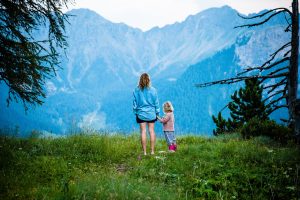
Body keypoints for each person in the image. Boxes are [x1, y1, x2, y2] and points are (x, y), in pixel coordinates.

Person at [133, 73, 160, 155]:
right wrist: (157, 113)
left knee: (143, 132)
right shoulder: (153, 90)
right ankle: (152, 151)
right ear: (149, 80)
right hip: (151, 114)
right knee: (151, 131)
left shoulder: (136, 90)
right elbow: (156, 103)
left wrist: (136, 112)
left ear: (140, 80)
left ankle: (144, 152)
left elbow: (134, 104)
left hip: (141, 114)